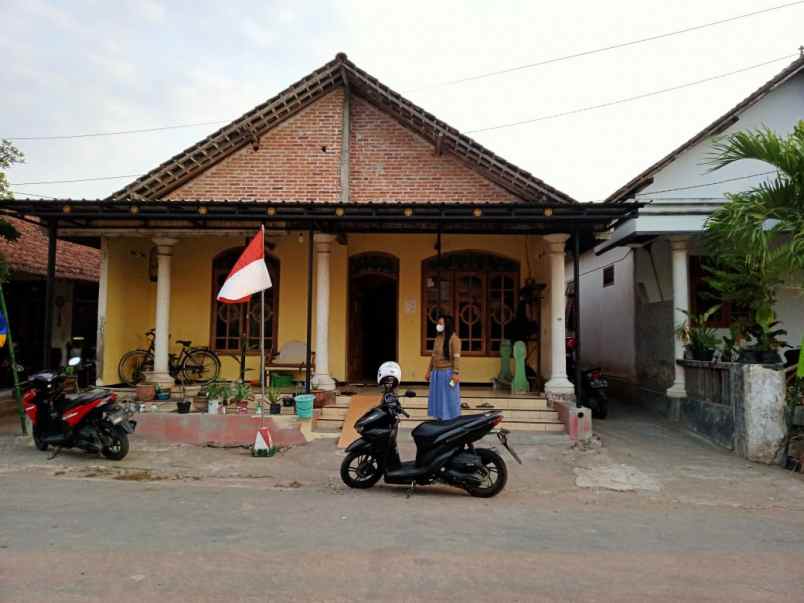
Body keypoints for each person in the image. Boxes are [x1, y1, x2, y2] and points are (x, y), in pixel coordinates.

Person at [425, 315, 462, 420]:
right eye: (438, 323)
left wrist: (455, 373)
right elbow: (433, 356)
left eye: (441, 324)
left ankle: (451, 421)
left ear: (447, 325)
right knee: (438, 399)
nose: (438, 326)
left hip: (448, 374)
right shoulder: (437, 339)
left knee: (449, 398)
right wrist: (429, 371)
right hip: (436, 373)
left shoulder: (454, 339)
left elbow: (457, 358)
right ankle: (440, 419)